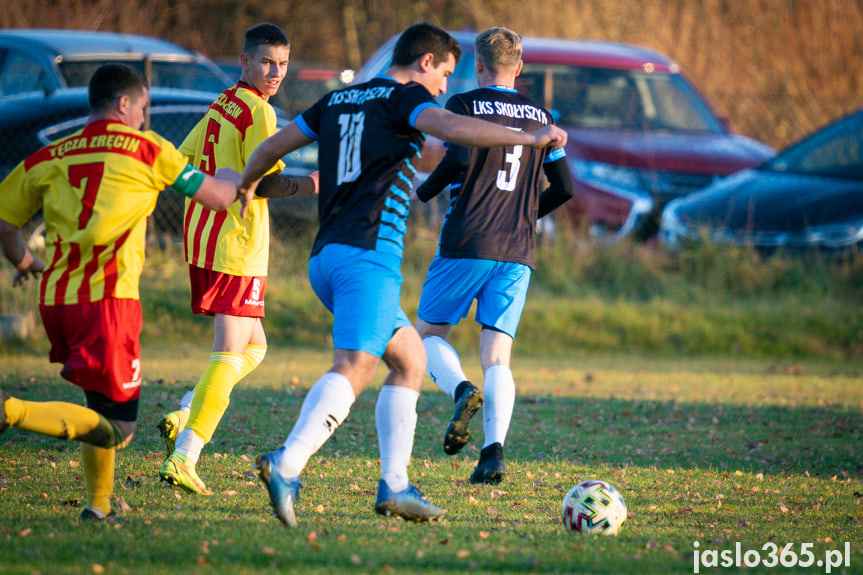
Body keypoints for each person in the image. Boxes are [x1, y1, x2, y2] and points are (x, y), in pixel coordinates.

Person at [233, 21, 568, 527]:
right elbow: (454, 131)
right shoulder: (404, 96)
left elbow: (275, 146)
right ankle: (287, 463)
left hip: (326, 257)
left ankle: (394, 487)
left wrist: (247, 184)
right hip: (368, 257)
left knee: (410, 359)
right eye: (445, 75)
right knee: (354, 366)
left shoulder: (337, 100)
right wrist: (530, 135)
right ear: (426, 62)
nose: (442, 90)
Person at [0, 63, 243, 521]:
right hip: (108, 304)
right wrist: (235, 179)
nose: (144, 119)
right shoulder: (146, 149)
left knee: (98, 403)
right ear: (125, 103)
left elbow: (4, 222)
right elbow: (215, 196)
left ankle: (100, 504)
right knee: (119, 428)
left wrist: (25, 262)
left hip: (56, 300)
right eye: (144, 108)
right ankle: (10, 410)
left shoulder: (54, 154)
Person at [157, 23, 318, 495]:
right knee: (229, 353)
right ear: (244, 61)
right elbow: (263, 184)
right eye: (267, 62)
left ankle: (186, 408)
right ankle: (186, 454)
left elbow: (181, 161)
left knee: (255, 348)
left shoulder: (222, 102)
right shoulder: (259, 114)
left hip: (205, 239)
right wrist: (314, 185)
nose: (275, 72)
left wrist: (214, 188)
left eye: (283, 64)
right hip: (236, 246)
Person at [413, 27, 576, 485]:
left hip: (469, 238)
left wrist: (425, 190)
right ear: (519, 67)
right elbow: (565, 187)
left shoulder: (463, 105)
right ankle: (492, 455)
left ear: (478, 67)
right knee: (498, 357)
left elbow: (460, 160)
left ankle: (462, 390)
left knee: (425, 337)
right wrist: (525, 216)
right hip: (518, 248)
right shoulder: (541, 117)